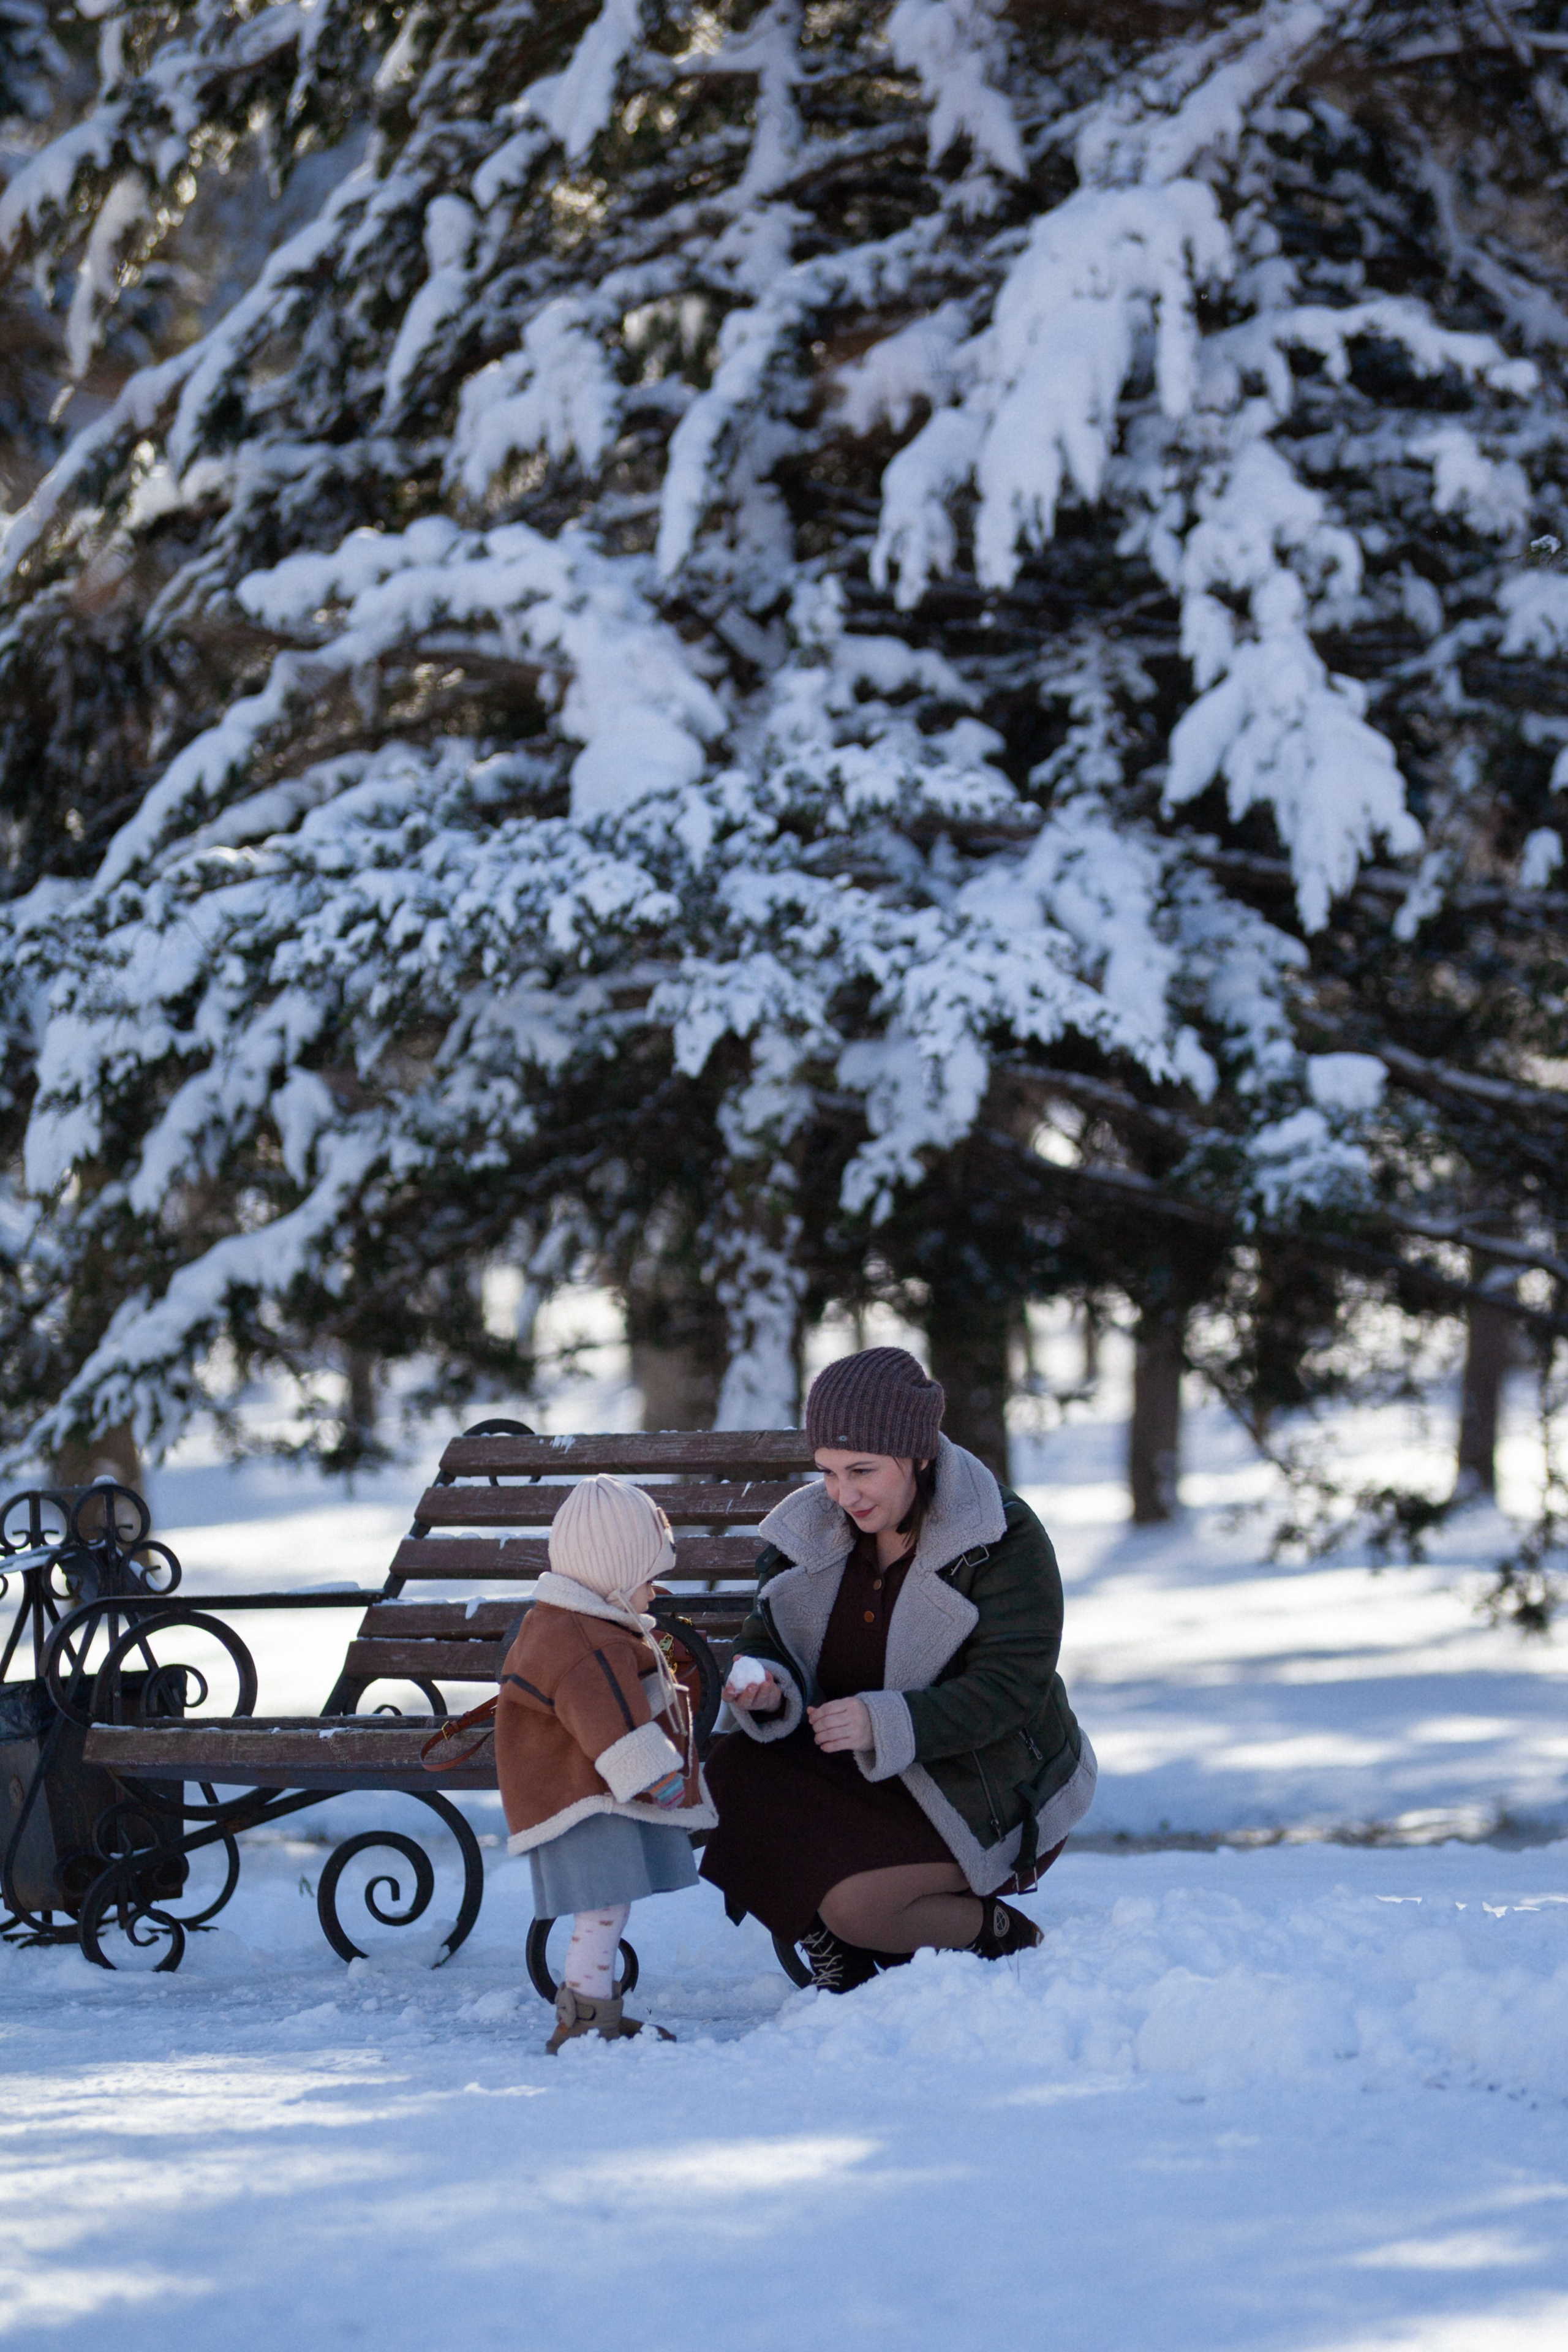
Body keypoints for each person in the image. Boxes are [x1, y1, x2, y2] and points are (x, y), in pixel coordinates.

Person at [700, 1347, 1096, 1991]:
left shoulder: (1000, 1538)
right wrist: (768, 1687)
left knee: (858, 1907)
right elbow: (764, 1637)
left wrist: (884, 1722)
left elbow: (1008, 1691)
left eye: (862, 1470)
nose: (843, 1494)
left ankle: (996, 1931)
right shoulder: (814, 1531)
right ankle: (844, 1948)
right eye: (828, 1472)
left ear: (918, 1455)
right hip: (856, 1776)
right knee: (728, 1775)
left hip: (980, 1782)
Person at [495, 1474, 715, 2051]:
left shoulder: (572, 1623)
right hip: (580, 1797)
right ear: (612, 1573)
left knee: (606, 1906)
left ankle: (595, 2014)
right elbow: (608, 1720)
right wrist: (657, 1778)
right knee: (602, 1908)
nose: (654, 1592)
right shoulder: (585, 1641)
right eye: (646, 1579)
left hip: (580, 1790)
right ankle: (587, 2019)